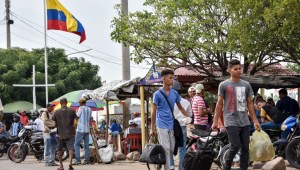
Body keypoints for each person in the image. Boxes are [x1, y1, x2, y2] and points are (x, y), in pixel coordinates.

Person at [212, 59, 261, 170]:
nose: (239, 71)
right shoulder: (223, 85)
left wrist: (256, 121)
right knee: (235, 145)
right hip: (230, 120)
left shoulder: (246, 85)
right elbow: (219, 104)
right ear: (229, 70)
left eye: (240, 68)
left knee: (245, 148)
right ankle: (226, 166)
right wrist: (215, 121)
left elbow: (250, 104)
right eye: (236, 69)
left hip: (245, 121)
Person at [151, 68, 189, 170]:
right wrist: (152, 128)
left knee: (172, 148)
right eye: (170, 78)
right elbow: (153, 112)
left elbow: (180, 107)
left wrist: (189, 116)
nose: (172, 80)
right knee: (166, 148)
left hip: (171, 123)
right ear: (163, 79)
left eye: (173, 78)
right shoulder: (157, 94)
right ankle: (169, 168)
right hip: (161, 123)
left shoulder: (174, 93)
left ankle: (166, 165)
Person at [52, 98, 77, 170]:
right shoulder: (72, 110)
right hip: (70, 132)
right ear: (66, 102)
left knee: (60, 149)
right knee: (71, 148)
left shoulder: (56, 112)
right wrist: (73, 127)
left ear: (60, 103)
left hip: (60, 133)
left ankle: (61, 166)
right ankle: (70, 163)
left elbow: (55, 123)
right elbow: (75, 122)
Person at [173, 82, 193, 170]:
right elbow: (190, 115)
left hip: (171, 126)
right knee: (182, 149)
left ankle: (170, 167)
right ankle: (181, 168)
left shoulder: (169, 101)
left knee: (170, 148)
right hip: (182, 127)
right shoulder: (186, 102)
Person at [73, 98, 92, 165]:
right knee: (86, 145)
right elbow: (90, 118)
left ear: (81, 103)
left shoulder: (80, 108)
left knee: (76, 144)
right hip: (87, 129)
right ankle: (86, 160)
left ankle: (78, 160)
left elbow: (77, 116)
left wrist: (75, 112)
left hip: (80, 129)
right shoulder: (89, 109)